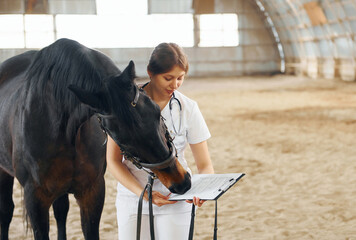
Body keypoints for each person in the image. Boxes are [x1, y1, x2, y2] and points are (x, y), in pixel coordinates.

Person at [106, 42, 214, 240]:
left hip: (176, 199)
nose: (175, 85)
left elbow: (205, 164)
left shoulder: (188, 108)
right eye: (168, 78)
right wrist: (143, 194)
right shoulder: (124, 106)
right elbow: (113, 161)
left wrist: (203, 188)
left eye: (180, 78)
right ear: (150, 72)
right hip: (133, 198)